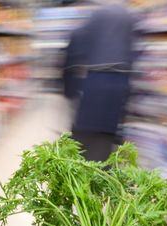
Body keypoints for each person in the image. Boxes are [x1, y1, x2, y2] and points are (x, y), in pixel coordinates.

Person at [62, 1, 138, 162]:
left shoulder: (95, 16)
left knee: (84, 142)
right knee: (106, 141)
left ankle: (82, 176)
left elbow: (74, 50)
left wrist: (69, 90)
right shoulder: (128, 16)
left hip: (95, 84)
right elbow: (134, 54)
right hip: (120, 85)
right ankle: (102, 173)